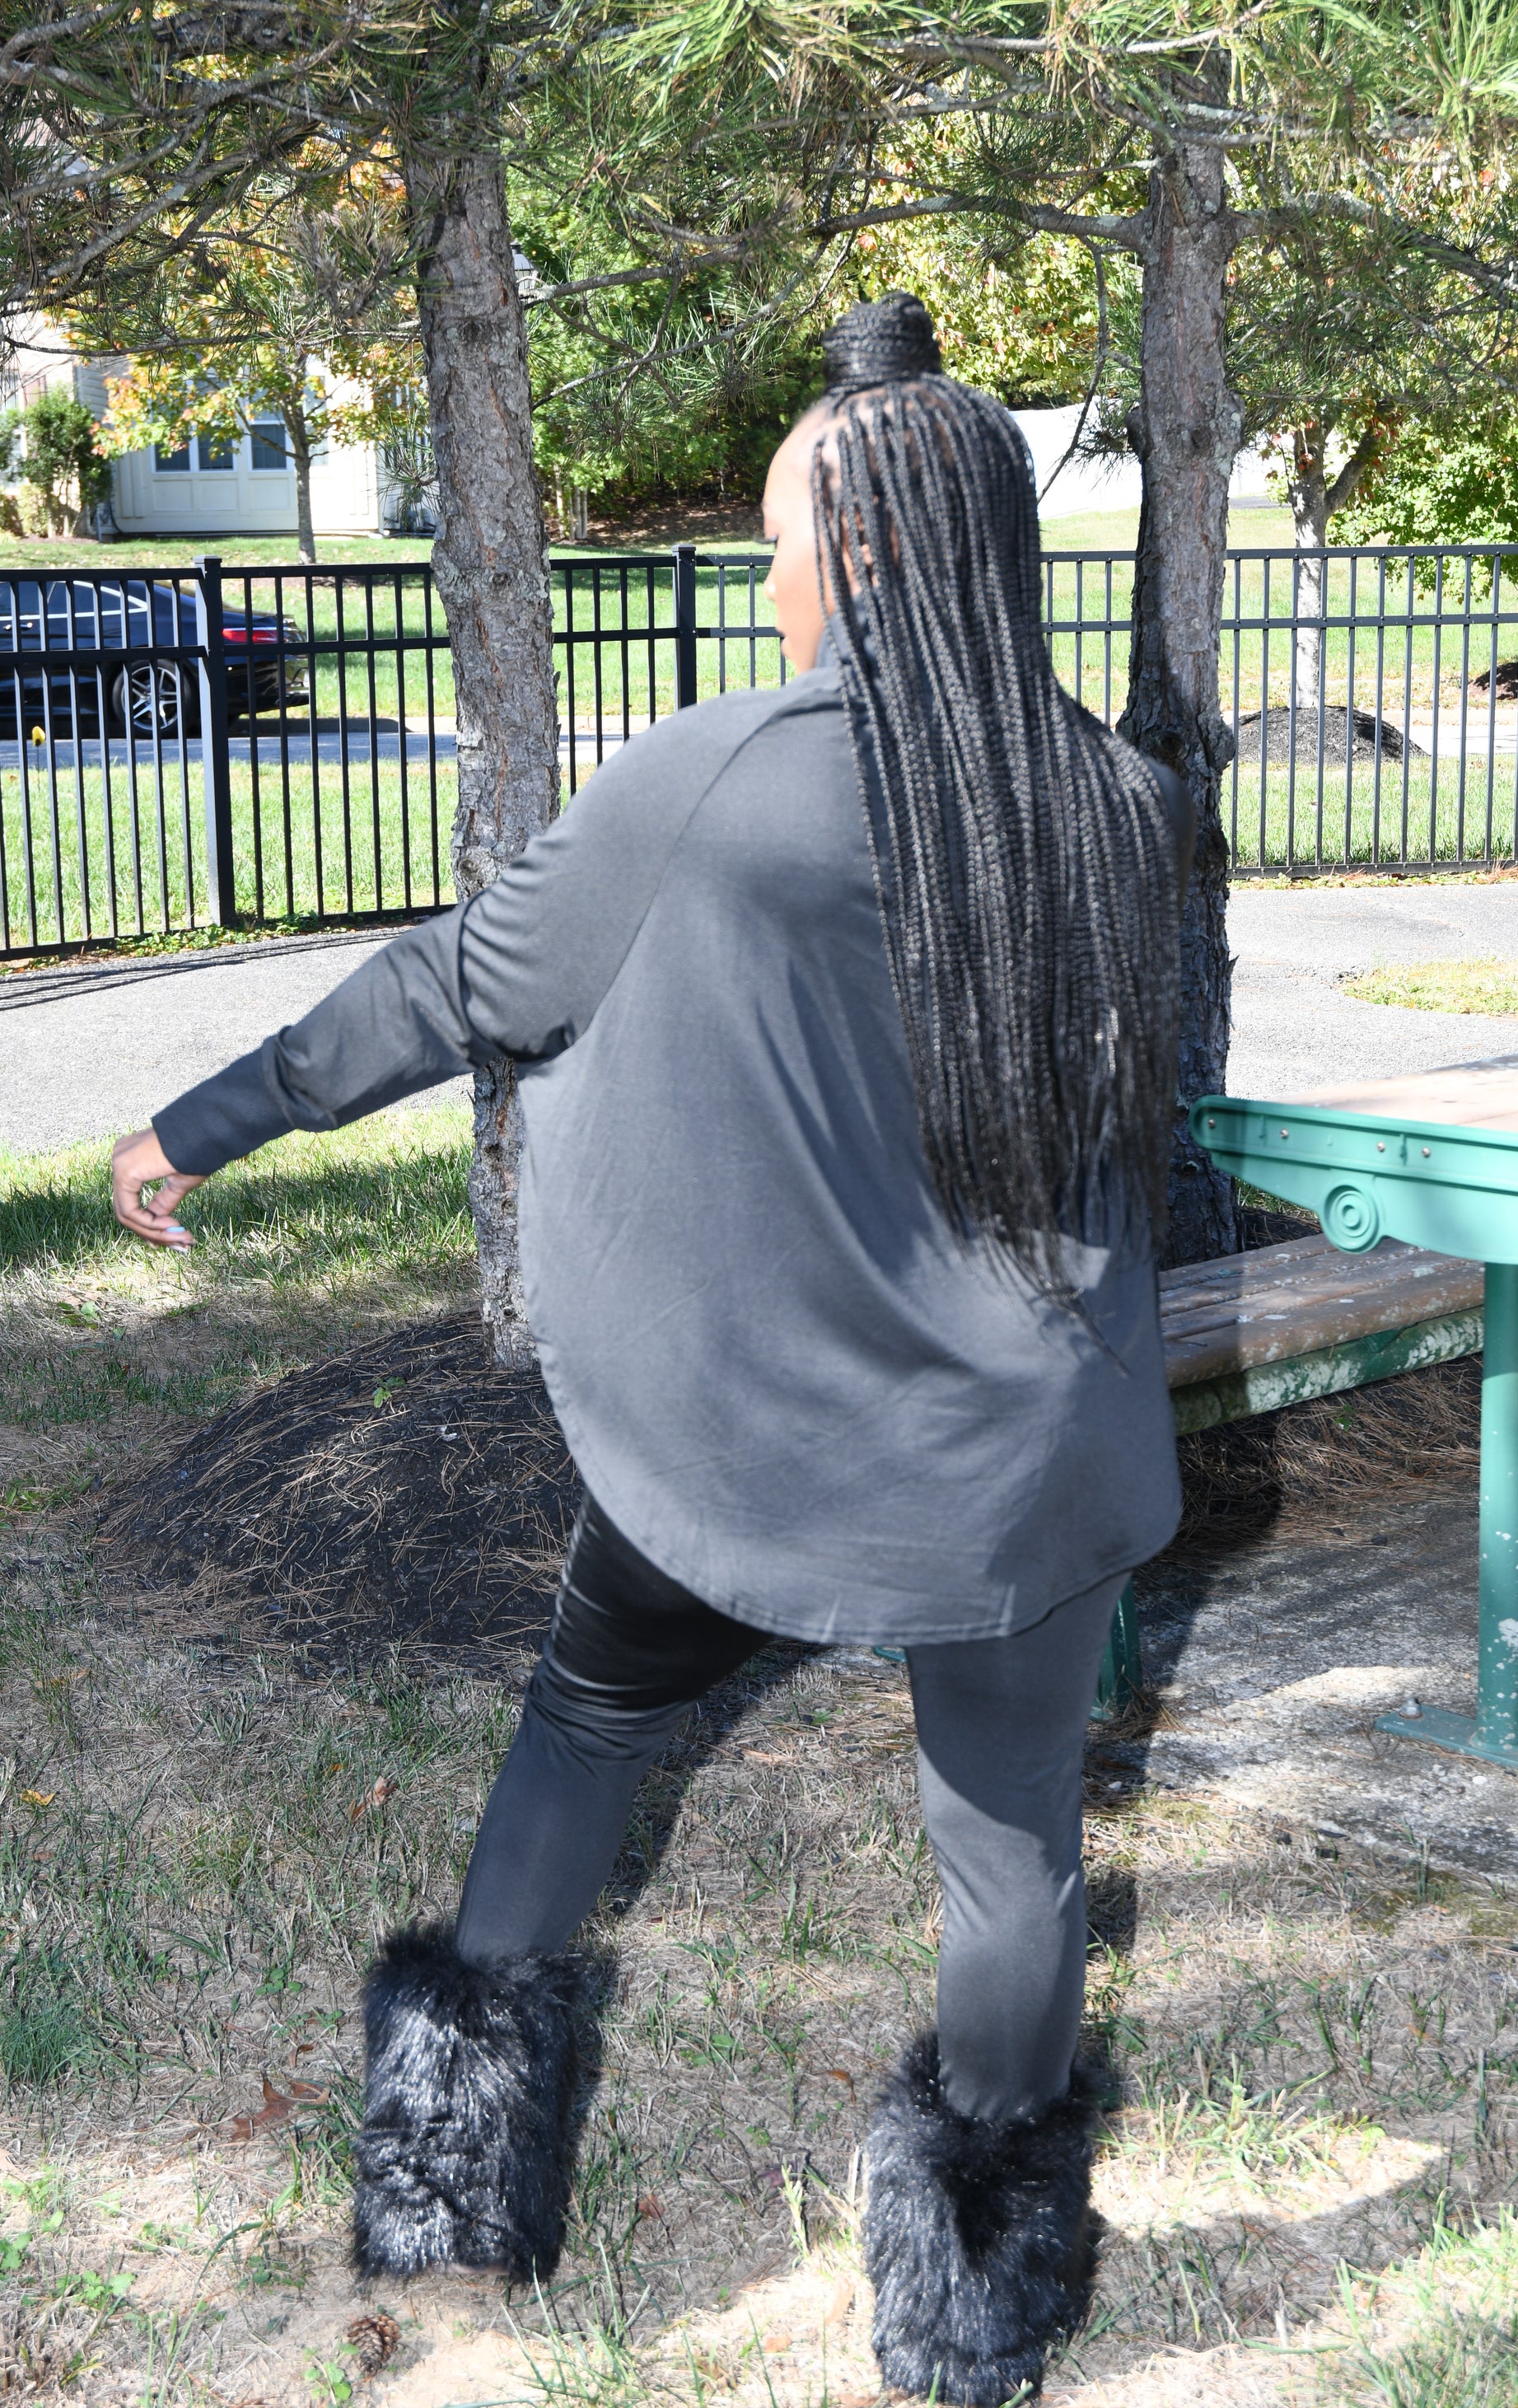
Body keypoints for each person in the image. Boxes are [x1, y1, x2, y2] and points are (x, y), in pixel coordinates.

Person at [111, 292, 1193, 2408]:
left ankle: (445, 2183)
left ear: (864, 548)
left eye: (787, 527)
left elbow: (463, 989)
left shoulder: (722, 777)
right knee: (1014, 1848)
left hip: (753, 1442)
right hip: (1022, 1458)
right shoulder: (1112, 798)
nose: (770, 567)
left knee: (588, 1727)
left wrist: (208, 1116)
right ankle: (974, 2301)